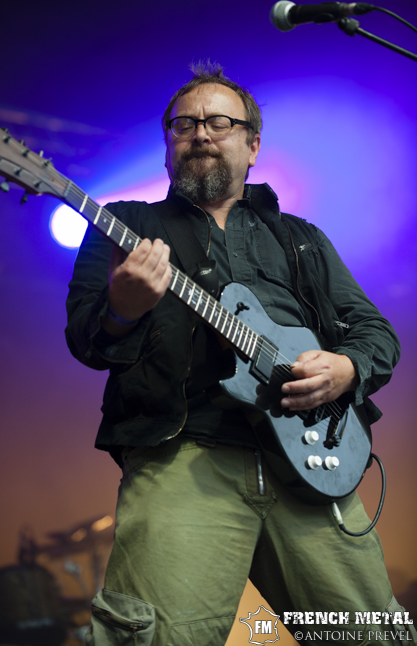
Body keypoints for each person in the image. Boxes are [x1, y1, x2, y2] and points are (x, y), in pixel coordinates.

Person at [66, 62, 415, 646]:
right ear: (167, 146)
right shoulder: (125, 223)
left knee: (370, 635)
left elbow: (375, 331)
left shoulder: (300, 237)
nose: (201, 134)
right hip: (183, 456)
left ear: (252, 146)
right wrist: (122, 309)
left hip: (312, 464)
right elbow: (85, 339)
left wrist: (347, 367)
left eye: (219, 123)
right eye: (184, 125)